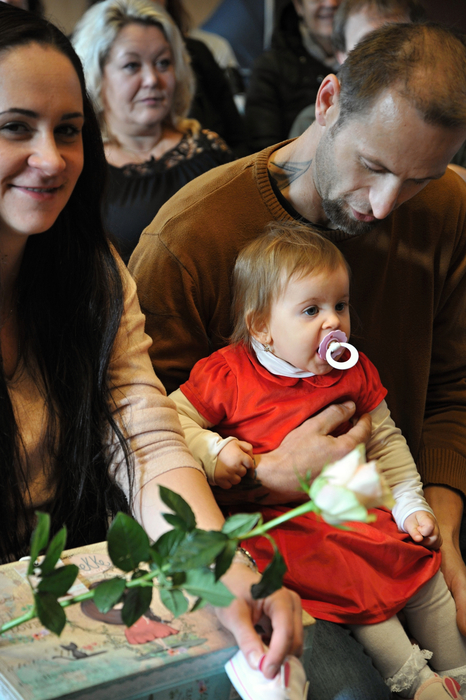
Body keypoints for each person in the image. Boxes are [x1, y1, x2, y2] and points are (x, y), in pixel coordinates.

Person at [129, 22, 466, 699]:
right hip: (265, 545)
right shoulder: (190, 239)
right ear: (328, 100)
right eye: (374, 166)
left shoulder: (449, 207)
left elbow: (452, 390)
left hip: (397, 516)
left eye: (419, 179)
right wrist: (263, 473)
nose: (385, 205)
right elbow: (143, 444)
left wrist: (442, 536)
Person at [0, 3, 302, 681]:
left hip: (79, 574)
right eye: (15, 127)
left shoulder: (92, 270)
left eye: (69, 130)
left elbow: (142, 433)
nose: (50, 159)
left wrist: (218, 563)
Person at [171, 222, 466, 698]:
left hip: (359, 508)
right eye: (311, 310)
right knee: (358, 591)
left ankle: (459, 671)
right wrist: (214, 451)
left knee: (423, 571)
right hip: (295, 531)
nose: (334, 323)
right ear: (262, 327)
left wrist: (411, 503)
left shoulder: (354, 370)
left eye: (340, 306)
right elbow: (171, 422)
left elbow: (386, 442)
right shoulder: (227, 375)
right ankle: (419, 684)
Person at [73, 0, 234, 264]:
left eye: (163, 63)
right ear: (97, 75)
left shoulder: (210, 150)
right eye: (132, 65)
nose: (152, 79)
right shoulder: (82, 164)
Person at [288, 0, 425, 138]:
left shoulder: (431, 117)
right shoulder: (314, 124)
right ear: (341, 56)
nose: (385, 57)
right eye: (368, 44)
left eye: (397, 42)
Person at [245, 0, 341, 152]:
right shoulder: (270, 68)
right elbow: (264, 151)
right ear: (299, 6)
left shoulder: (372, 60)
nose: (330, 3)